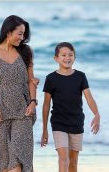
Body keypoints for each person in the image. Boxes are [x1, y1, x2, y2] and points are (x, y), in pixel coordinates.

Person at [0, 15, 37, 172]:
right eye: (19, 33)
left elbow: (31, 80)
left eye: (24, 33)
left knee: (19, 157)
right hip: (1, 111)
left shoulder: (26, 52)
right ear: (8, 32)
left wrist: (33, 102)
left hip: (23, 110)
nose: (23, 37)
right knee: (6, 159)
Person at [40, 42, 100, 172]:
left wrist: (97, 114)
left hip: (76, 122)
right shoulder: (51, 78)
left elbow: (89, 97)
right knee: (64, 159)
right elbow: (46, 105)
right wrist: (44, 129)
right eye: (63, 55)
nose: (67, 58)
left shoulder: (80, 76)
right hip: (58, 123)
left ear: (75, 57)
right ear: (56, 58)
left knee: (73, 162)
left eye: (70, 55)